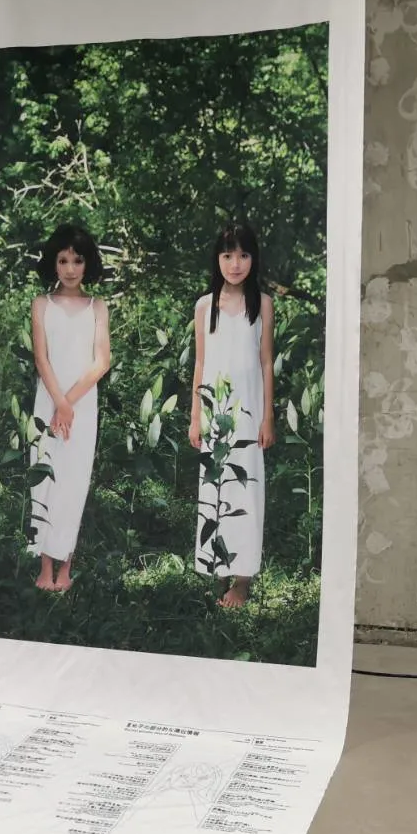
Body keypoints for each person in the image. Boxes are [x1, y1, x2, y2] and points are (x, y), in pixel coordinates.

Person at [189, 223, 276, 609]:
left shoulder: (263, 304)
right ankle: (218, 566)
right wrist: (196, 416)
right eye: (227, 255)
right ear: (217, 259)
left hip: (248, 412)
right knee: (215, 486)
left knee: (246, 487)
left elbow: (266, 362)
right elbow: (200, 363)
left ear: (253, 259)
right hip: (214, 412)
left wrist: (267, 416)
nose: (235, 264)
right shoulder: (204, 306)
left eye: (243, 255)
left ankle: (242, 580)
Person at [27, 225, 111, 592]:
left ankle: (66, 567)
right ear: (53, 263)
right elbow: (41, 359)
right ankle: (45, 565)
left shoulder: (97, 307)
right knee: (46, 477)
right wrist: (59, 403)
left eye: (77, 260)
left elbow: (102, 362)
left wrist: (70, 403)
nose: (71, 269)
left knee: (73, 481)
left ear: (88, 263)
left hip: (82, 405)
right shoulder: (41, 304)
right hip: (48, 401)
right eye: (63, 260)